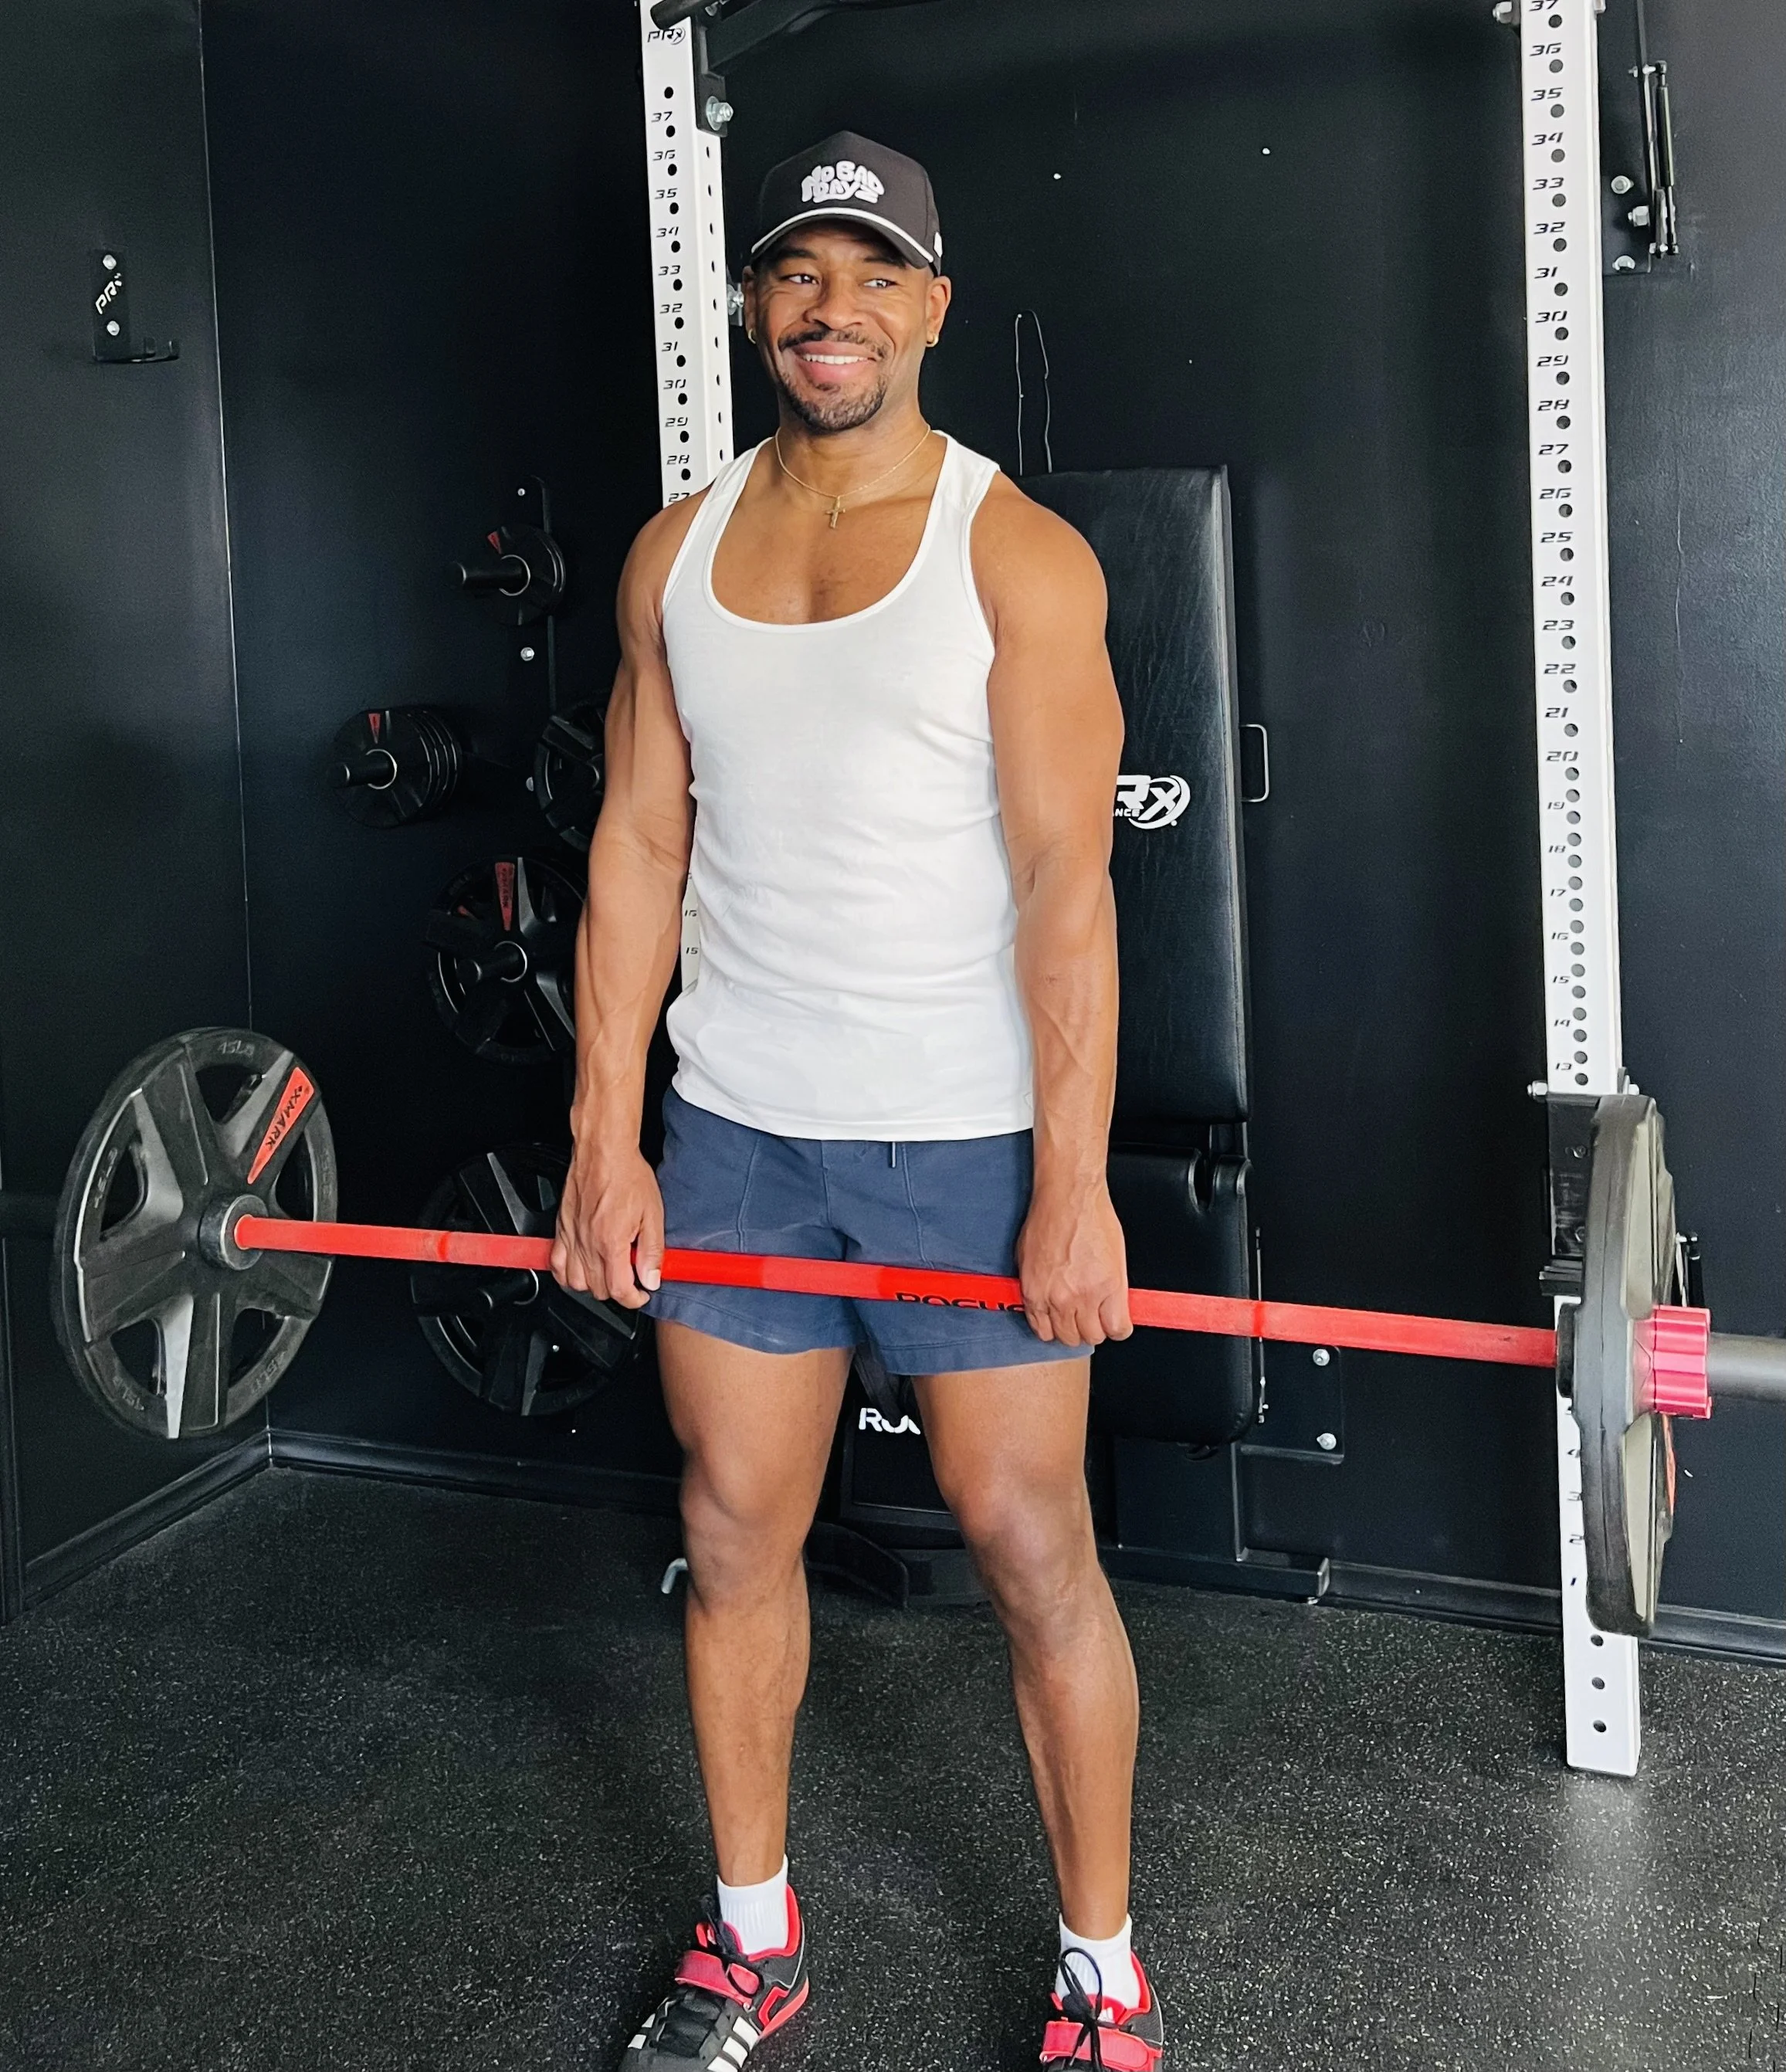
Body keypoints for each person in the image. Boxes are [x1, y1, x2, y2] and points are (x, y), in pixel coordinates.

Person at [552, 131, 1163, 2071]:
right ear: (756, 302)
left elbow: (1068, 884)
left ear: (931, 306)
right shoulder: (674, 554)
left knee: (1028, 1545)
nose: (834, 311)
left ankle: (1101, 1967)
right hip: (740, 1129)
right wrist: (603, 1137)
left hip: (963, 1138)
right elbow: (636, 845)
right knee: (735, 1529)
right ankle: (753, 1943)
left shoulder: (1012, 553)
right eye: (799, 274)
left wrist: (1071, 1182)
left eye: (873, 274)